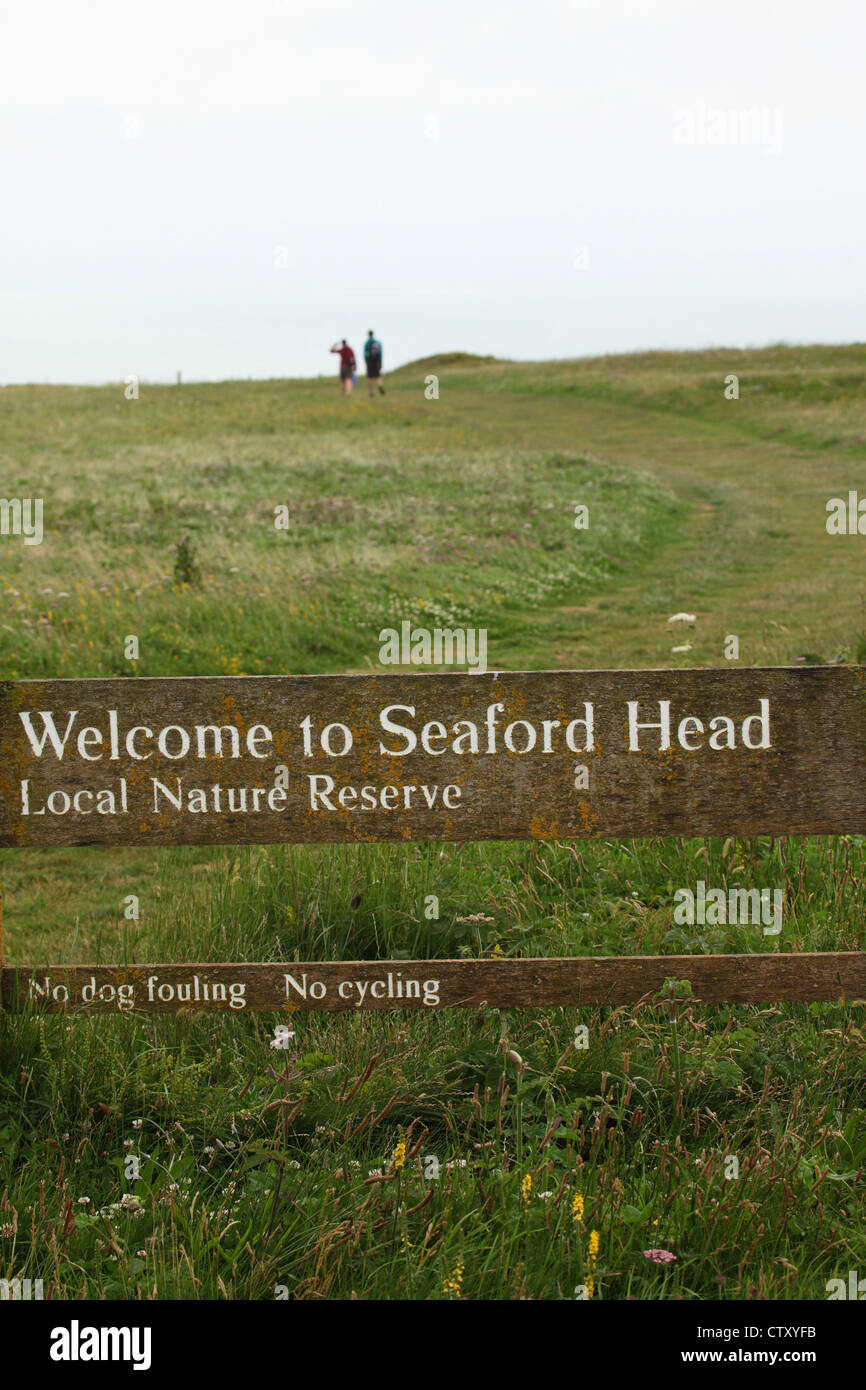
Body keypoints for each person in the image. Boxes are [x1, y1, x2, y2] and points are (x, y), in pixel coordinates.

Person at [363, 330, 385, 396]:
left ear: (368, 334)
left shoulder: (367, 343)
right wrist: (380, 362)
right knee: (378, 376)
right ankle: (380, 385)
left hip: (370, 362)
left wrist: (366, 362)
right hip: (377, 362)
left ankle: (371, 391)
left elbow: (365, 354)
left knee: (370, 377)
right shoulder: (378, 343)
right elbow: (380, 353)